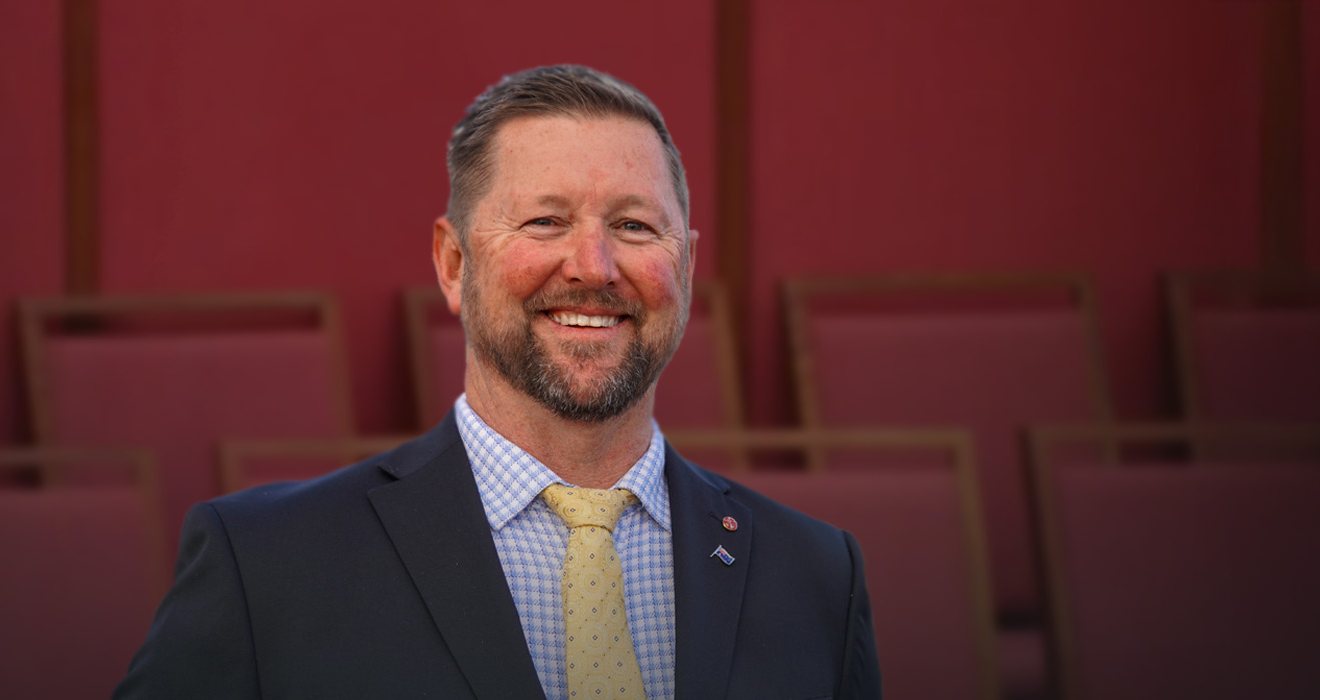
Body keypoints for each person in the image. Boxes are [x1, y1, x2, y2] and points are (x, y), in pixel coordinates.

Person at [116, 65, 877, 699]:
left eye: (635, 226)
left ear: (687, 263)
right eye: (545, 221)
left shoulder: (818, 575)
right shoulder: (266, 566)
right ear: (453, 265)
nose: (593, 267)